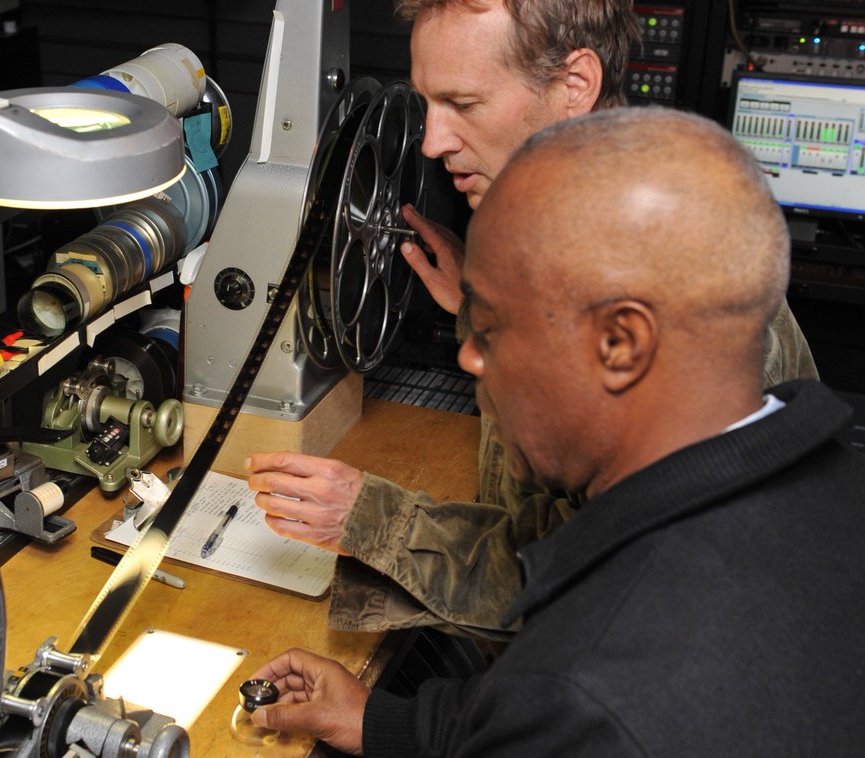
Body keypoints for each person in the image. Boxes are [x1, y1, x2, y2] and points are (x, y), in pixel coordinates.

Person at [239, 107, 865, 758]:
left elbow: (582, 723)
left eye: (494, 329)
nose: (470, 355)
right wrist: (391, 723)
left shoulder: (590, 693)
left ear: (622, 344)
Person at [246, 0, 819, 639]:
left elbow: (574, 594)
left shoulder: (646, 290)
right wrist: (481, 311)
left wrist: (371, 519)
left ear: (575, 86)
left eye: (464, 105)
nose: (433, 142)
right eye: (429, 104)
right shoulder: (589, 200)